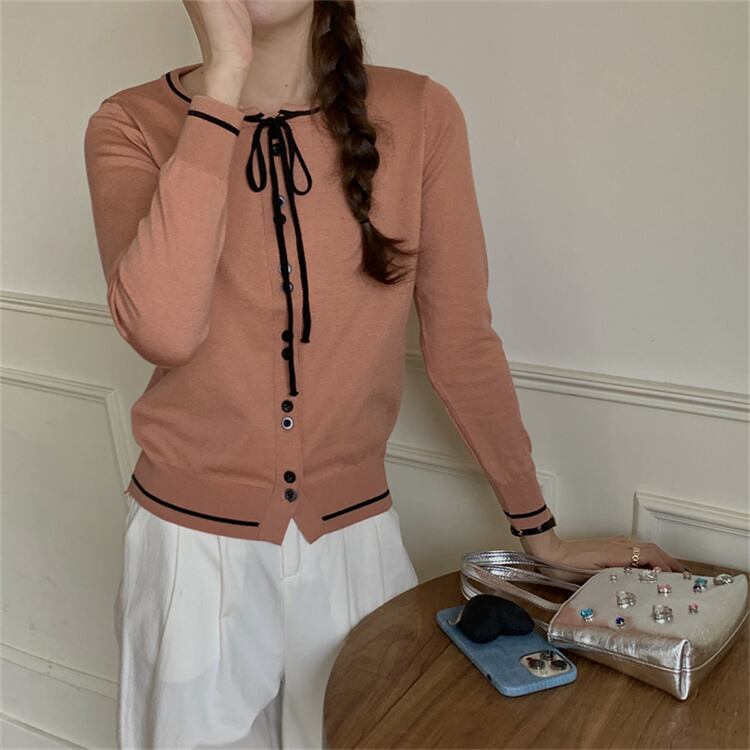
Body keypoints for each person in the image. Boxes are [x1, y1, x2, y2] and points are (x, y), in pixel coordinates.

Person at [83, 1, 686, 747]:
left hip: (354, 546)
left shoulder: (420, 113)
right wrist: (223, 84)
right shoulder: (130, 123)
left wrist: (541, 534)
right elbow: (164, 330)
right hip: (186, 556)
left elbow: (461, 340)